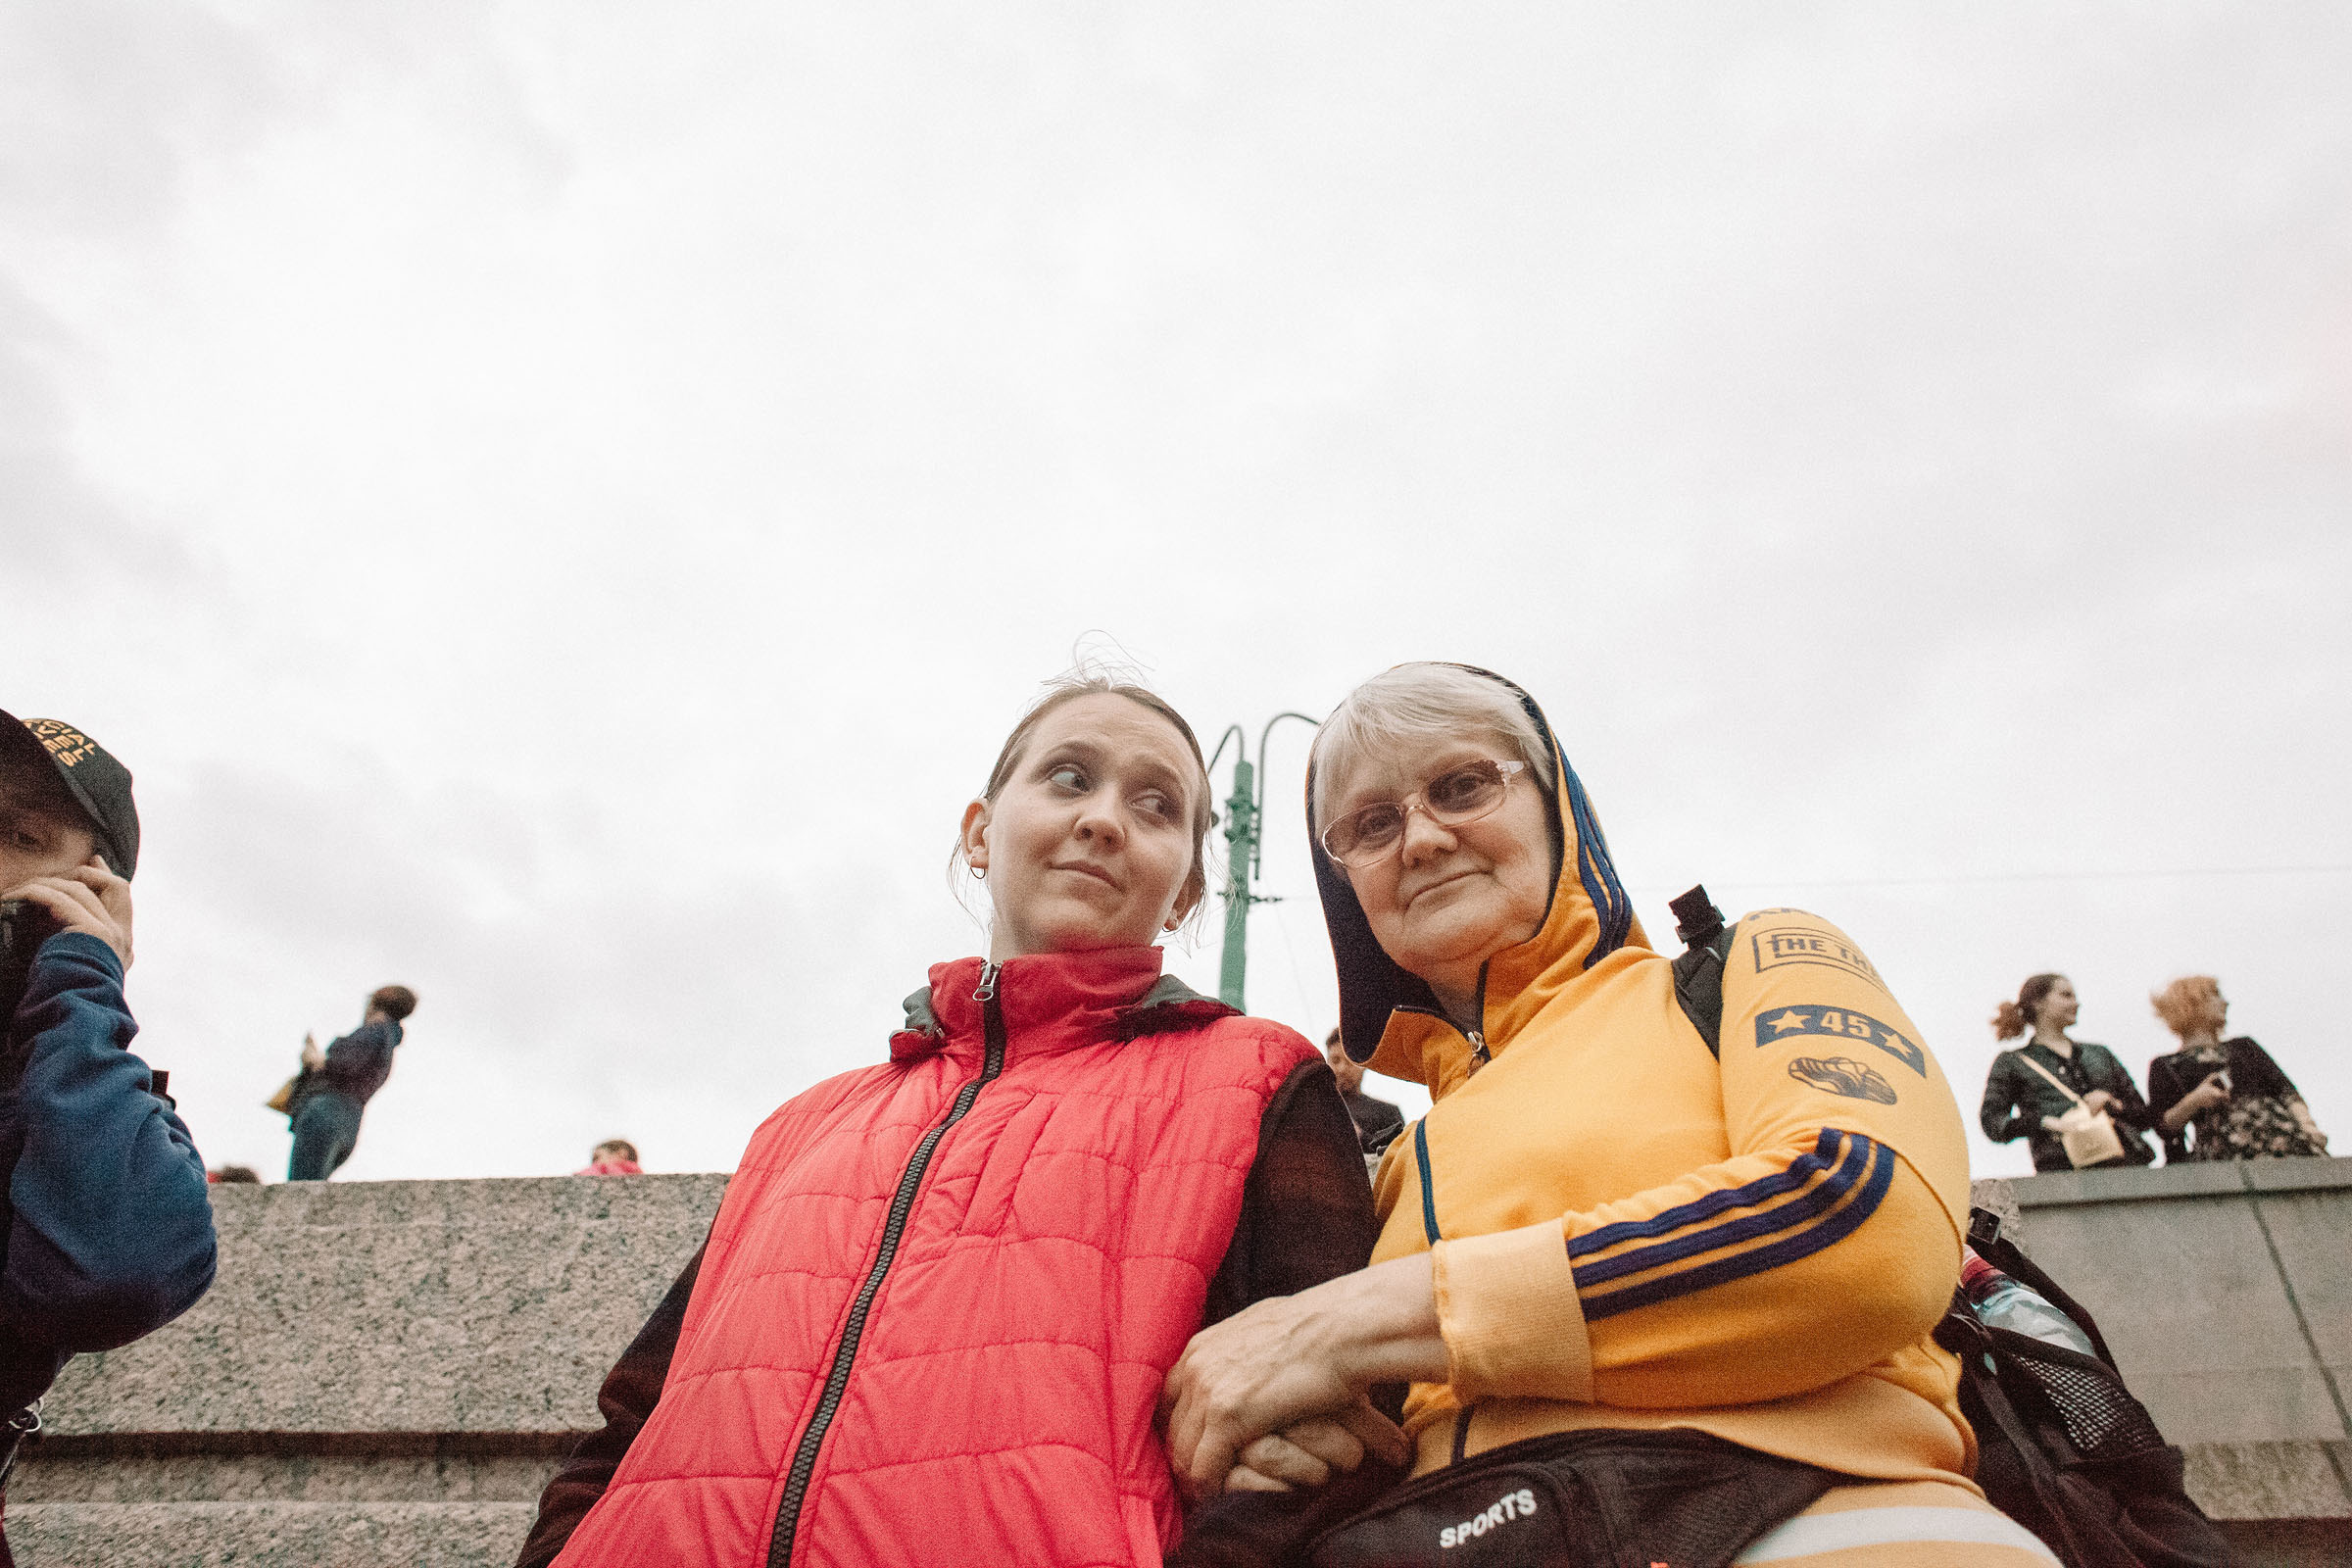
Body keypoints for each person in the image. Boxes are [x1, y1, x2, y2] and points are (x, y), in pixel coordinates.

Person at [1161, 663, 2054, 1565]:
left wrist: (1336, 1328)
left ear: (1558, 810)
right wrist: (1288, 1439)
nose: (1422, 840)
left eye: (1462, 786)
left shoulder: (1751, 966)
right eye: (1371, 825)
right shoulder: (1394, 1163)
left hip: (1824, 1520)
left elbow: (1865, 1222)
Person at [514, 672, 1386, 1568]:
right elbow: (632, 1423)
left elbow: (1325, 1434)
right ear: (979, 833)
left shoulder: (1258, 1082)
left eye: (1157, 805)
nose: (1103, 819)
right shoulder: (799, 1127)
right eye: (1070, 777)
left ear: (1185, 893)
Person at [0, 711, 216, 1564]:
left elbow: (108, 1274)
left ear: (91, 891)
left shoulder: (80, 1101)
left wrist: (84, 981)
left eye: (16, 834)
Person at [1980, 973, 2156, 1172]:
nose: (2076, 1003)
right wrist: (2043, 1122)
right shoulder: (2012, 1062)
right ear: (2038, 1003)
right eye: (2066, 995)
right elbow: (1992, 1122)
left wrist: (2112, 1102)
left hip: (2126, 1165)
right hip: (2061, 1172)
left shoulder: (2100, 1054)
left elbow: (2144, 1116)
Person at [2145, 976, 2328, 1163]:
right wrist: (2195, 1101)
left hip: (2288, 1144)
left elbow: (2286, 1092)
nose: (2225, 1003)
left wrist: (2309, 1129)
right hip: (2227, 1161)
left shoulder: (2244, 1047)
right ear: (2192, 1003)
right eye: (2215, 995)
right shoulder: (2166, 1065)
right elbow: (2163, 1126)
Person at [284, 984, 417, 1181]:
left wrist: (315, 1061)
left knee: (302, 1186)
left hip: (327, 1110)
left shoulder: (374, 1031)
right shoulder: (387, 1042)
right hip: (350, 1119)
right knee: (311, 1184)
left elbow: (343, 1066)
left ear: (376, 1001)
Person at [1323, 1026, 1403, 1156]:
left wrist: (1359, 1136)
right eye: (1335, 1060)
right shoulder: (1313, 1109)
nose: (1342, 1069)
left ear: (1364, 1065)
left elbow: (1397, 1158)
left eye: (1349, 1061)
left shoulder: (1387, 1112)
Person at [576, 1139, 643, 1175]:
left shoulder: (601, 1168)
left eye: (597, 1157)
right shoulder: (636, 1172)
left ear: (621, 1153)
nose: (595, 1163)